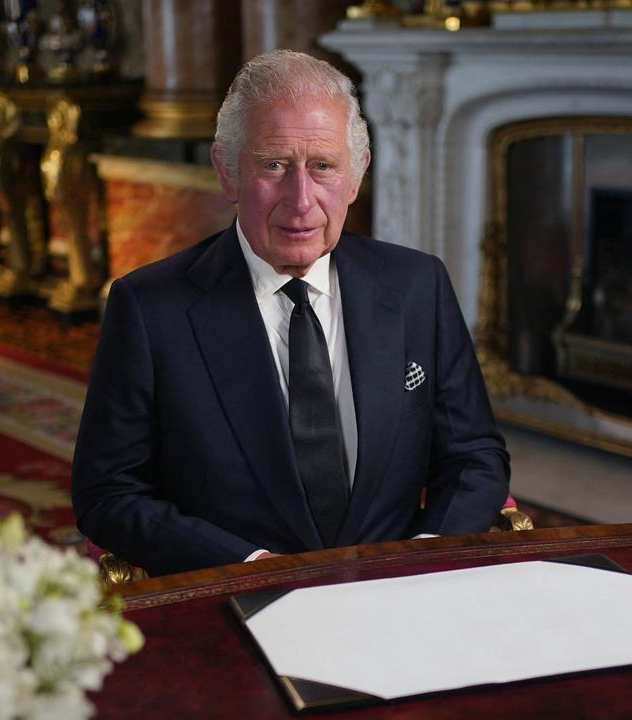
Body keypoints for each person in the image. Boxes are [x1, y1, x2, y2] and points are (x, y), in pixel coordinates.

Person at [71, 50, 511, 576]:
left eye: (323, 166)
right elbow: (108, 493)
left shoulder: (419, 286)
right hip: (235, 599)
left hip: (400, 594)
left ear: (356, 175)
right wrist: (248, 566)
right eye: (273, 165)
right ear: (228, 173)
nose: (301, 200)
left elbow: (474, 454)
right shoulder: (149, 309)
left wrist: (423, 554)